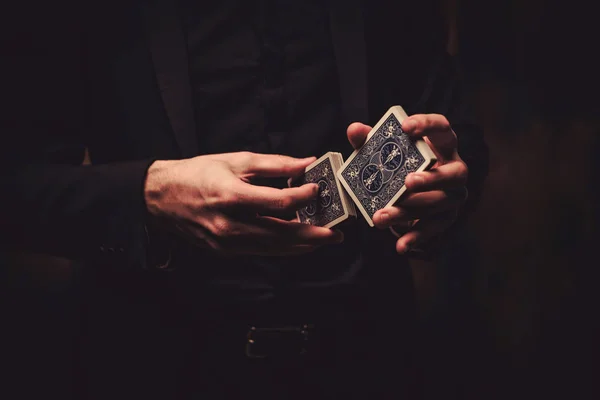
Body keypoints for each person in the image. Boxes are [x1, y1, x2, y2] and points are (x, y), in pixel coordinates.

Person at [1, 0, 488, 398]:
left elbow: (452, 134)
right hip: (151, 365)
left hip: (368, 363)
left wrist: (445, 191)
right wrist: (148, 194)